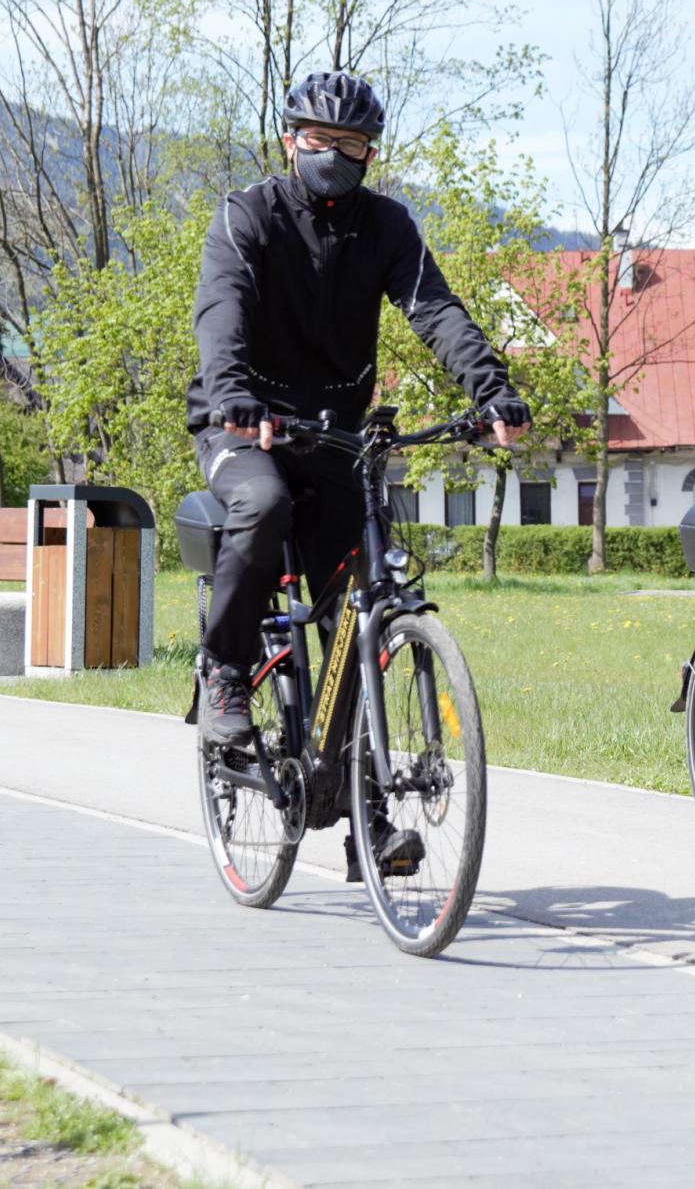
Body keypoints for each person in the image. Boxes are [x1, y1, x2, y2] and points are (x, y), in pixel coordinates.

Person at [186, 71, 529, 867]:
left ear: (371, 152)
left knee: (362, 609)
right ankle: (225, 671)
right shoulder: (248, 216)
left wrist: (492, 389)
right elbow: (223, 309)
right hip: (247, 425)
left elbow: (434, 310)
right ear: (288, 140)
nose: (333, 155)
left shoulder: (388, 226)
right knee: (264, 509)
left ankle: (365, 819)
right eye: (317, 140)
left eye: (350, 144)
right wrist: (234, 396)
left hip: (337, 434)